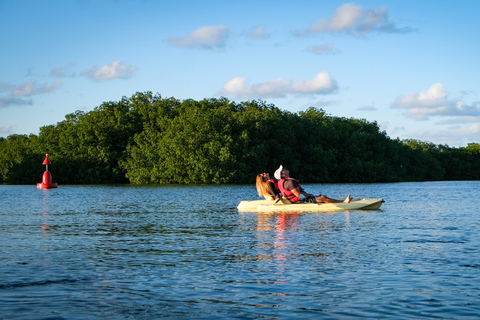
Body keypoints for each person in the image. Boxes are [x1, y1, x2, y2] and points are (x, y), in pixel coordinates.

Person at [274, 165, 353, 204]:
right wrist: (308, 196)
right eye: (283, 170)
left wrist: (309, 195)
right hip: (299, 201)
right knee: (322, 197)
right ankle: (343, 202)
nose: (284, 169)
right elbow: (298, 195)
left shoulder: (286, 182)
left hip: (297, 200)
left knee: (321, 196)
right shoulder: (289, 182)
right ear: (282, 175)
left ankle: (339, 201)